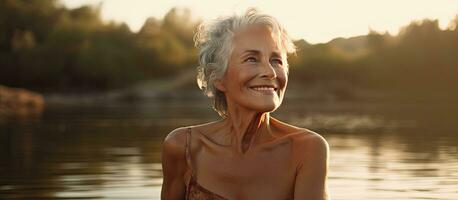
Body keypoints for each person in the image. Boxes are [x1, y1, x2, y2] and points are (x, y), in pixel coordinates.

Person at [161, 8, 330, 200]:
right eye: (251, 59)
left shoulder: (307, 150)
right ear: (219, 78)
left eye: (276, 60)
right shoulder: (183, 147)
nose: (271, 72)